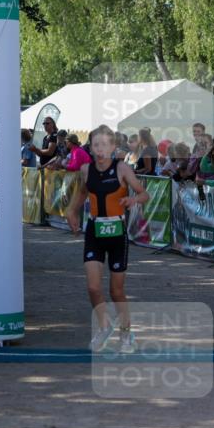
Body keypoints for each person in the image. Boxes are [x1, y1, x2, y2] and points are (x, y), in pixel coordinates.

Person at [65, 125, 150, 354]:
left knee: (116, 291)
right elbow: (83, 192)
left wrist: (133, 201)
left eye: (104, 145)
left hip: (117, 232)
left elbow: (144, 193)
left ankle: (126, 334)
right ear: (90, 147)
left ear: (113, 147)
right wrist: (71, 211)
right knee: (93, 287)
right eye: (96, 145)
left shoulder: (121, 168)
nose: (100, 149)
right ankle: (104, 327)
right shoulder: (85, 170)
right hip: (95, 230)